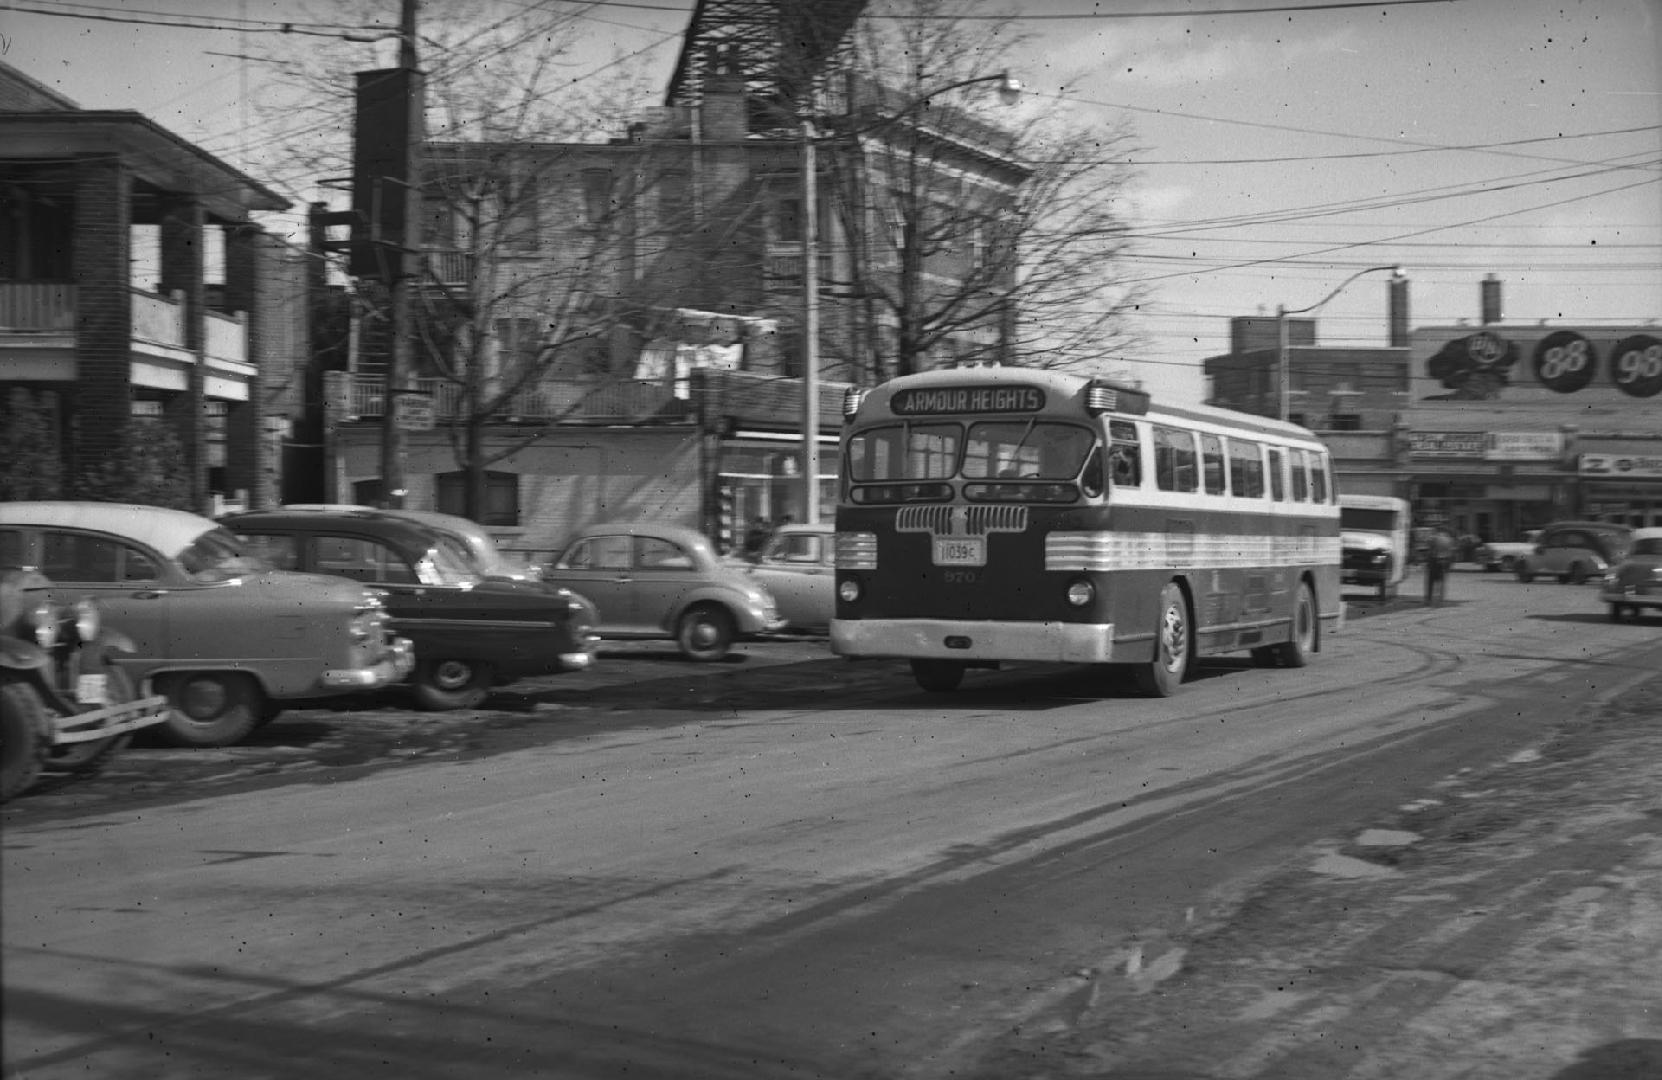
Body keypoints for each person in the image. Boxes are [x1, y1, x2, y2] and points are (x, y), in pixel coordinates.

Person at [1424, 526, 1456, 606]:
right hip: (1445, 561)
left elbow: (1428, 548)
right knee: (1441, 581)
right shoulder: (1449, 539)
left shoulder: (1433, 538)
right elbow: (1451, 552)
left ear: (1437, 531)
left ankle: (1429, 599)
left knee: (1431, 581)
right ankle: (1440, 599)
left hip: (1434, 561)